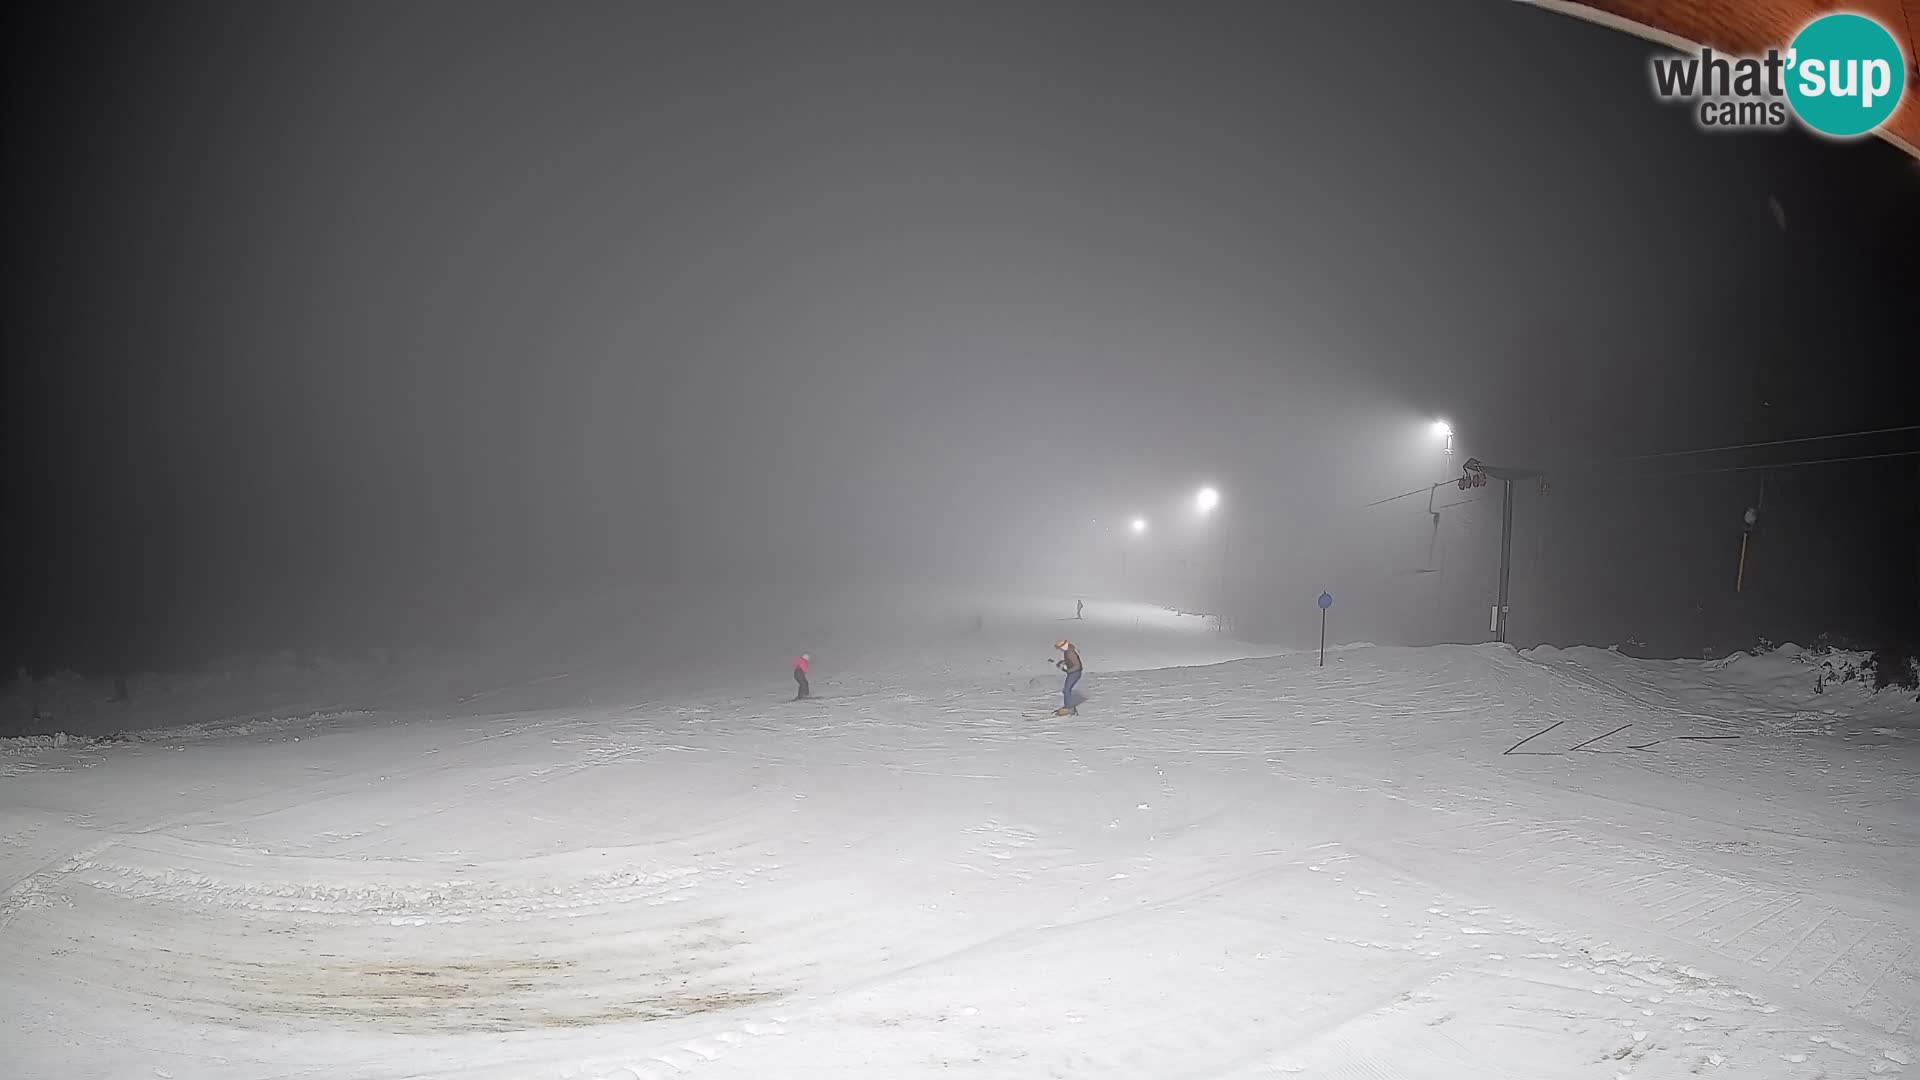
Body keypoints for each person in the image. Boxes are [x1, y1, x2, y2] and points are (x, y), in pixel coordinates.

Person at [1054, 639, 1082, 714]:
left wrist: (1066, 669)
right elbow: (1069, 660)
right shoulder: (1068, 650)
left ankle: (1069, 708)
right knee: (1066, 689)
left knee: (1067, 690)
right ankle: (1068, 706)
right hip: (1073, 673)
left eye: (1059, 648)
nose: (1059, 649)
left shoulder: (1070, 653)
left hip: (1074, 673)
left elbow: (1077, 666)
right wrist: (1063, 662)